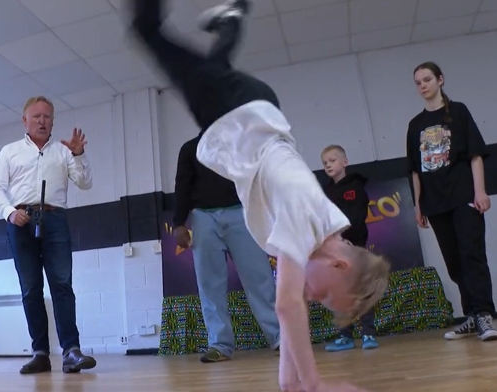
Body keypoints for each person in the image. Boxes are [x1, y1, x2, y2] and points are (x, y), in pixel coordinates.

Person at [128, 1, 390, 390]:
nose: (313, 298)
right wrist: (315, 384)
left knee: (215, 64)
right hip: (233, 110)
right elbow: (287, 307)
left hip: (249, 108)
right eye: (324, 297)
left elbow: (289, 317)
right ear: (340, 266)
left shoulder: (320, 228)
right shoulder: (305, 219)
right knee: (146, 30)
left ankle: (232, 20)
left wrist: (292, 384)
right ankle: (229, 20)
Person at [0, 96, 96, 374]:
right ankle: (40, 354)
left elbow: (85, 183)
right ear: (25, 120)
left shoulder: (63, 152)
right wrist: (10, 212)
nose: (42, 121)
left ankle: (71, 351)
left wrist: (79, 155)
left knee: (62, 285)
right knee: (31, 289)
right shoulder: (9, 151)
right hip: (20, 221)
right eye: (36, 116)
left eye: (47, 116)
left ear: (52, 121)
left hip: (55, 219)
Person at [408, 61, 497, 342]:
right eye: (418, 82)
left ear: (440, 80)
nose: (423, 86)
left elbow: (475, 154)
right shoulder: (415, 125)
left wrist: (480, 191)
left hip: (463, 196)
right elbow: (415, 169)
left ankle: (484, 314)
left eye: (427, 79)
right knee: (454, 262)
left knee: (472, 255)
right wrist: (417, 205)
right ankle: (471, 316)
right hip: (435, 203)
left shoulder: (458, 111)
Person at [174, 135, 280, 362]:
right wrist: (178, 223)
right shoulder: (190, 148)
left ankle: (280, 338)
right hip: (203, 217)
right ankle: (220, 344)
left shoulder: (241, 142)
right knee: (209, 284)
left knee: (259, 278)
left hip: (241, 213)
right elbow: (182, 185)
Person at [320, 145, 379, 352]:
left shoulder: (355, 188)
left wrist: (346, 238)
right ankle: (344, 336)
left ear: (345, 162)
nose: (328, 165)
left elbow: (356, 216)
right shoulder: (325, 192)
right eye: (325, 162)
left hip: (354, 248)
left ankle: (368, 334)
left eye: (332, 160)